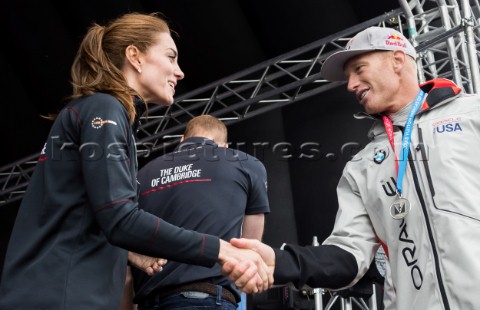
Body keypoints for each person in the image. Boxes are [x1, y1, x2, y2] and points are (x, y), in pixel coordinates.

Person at [0, 12, 270, 310]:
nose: (179, 72)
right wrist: (221, 250)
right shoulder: (104, 107)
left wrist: (128, 252)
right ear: (135, 57)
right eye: (170, 57)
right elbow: (119, 218)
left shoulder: (101, 112)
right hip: (61, 294)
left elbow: (84, 212)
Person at [222, 26, 480, 310]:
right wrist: (281, 262)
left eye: (359, 69)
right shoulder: (362, 165)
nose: (350, 85)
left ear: (397, 61)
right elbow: (348, 256)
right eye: (348, 77)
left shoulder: (471, 115)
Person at [127, 115, 270, 310]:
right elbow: (250, 247)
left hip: (148, 301)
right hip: (208, 298)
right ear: (225, 147)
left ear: (181, 140)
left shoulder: (142, 174)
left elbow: (127, 247)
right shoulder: (246, 164)